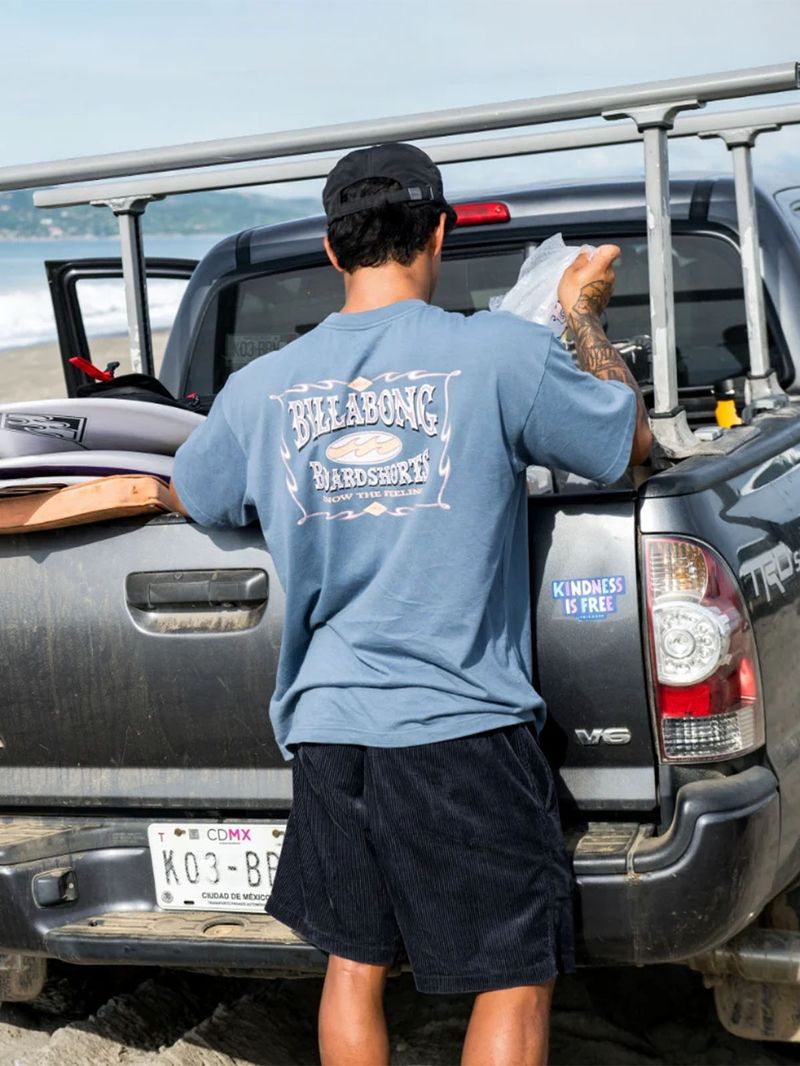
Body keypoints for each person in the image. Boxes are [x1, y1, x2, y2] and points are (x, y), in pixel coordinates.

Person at [169, 142, 652, 1066]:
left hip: (328, 730)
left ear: (330, 248)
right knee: (512, 971)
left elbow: (197, 491)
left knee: (354, 964)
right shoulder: (497, 354)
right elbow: (625, 440)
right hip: (458, 724)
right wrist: (581, 318)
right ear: (439, 231)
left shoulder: (262, 388)